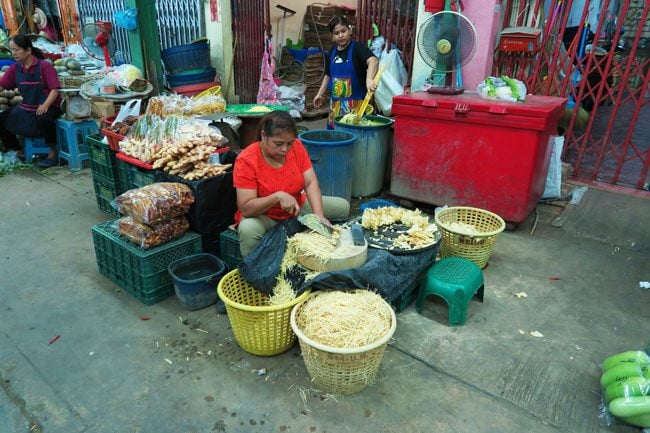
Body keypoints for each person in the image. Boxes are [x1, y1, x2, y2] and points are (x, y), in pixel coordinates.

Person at [233, 110, 350, 256]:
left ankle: (317, 244)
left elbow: (311, 182)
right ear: (263, 136)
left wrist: (318, 215)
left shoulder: (297, 147)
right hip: (265, 216)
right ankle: (257, 272)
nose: (285, 149)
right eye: (279, 144)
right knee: (248, 229)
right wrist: (278, 197)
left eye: (289, 143)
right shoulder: (246, 160)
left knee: (343, 207)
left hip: (296, 208)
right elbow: (246, 208)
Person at [0, 35, 62, 167]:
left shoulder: (44, 66)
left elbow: (55, 89)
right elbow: (3, 84)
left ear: (28, 50)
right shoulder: (15, 68)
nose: (14, 53)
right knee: (2, 117)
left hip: (49, 105)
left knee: (43, 118)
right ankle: (18, 150)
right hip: (27, 106)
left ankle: (52, 152)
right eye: (12, 50)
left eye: (17, 50)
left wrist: (45, 105)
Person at [313, 16, 379, 128]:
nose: (341, 35)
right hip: (336, 107)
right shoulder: (332, 53)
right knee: (335, 139)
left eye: (343, 31)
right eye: (336, 33)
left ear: (350, 30)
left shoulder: (358, 48)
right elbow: (328, 75)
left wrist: (369, 79)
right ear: (332, 36)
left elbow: (373, 61)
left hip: (358, 106)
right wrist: (319, 94)